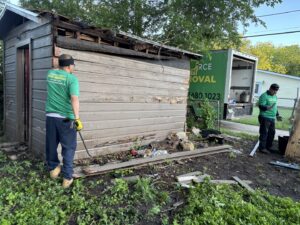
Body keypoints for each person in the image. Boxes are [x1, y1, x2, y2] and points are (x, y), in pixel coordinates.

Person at [45, 54, 83, 188]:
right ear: (68, 66)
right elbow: (74, 99)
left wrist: (60, 65)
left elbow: (55, 68)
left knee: (51, 144)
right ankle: (67, 177)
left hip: (51, 117)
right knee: (68, 147)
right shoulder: (72, 79)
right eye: (73, 65)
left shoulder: (50, 74)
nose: (74, 67)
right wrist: (77, 118)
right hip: (66, 119)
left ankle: (54, 169)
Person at [258, 83, 282, 154]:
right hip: (265, 117)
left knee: (272, 133)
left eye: (276, 91)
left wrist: (277, 115)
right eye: (274, 90)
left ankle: (269, 147)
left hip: (272, 117)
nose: (275, 92)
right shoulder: (264, 96)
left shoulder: (275, 96)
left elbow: (275, 106)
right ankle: (262, 148)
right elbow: (261, 106)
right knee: (264, 133)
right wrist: (267, 107)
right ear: (270, 88)